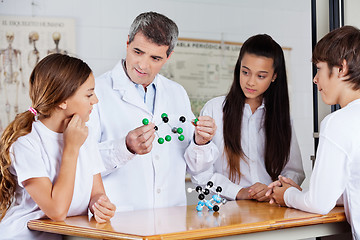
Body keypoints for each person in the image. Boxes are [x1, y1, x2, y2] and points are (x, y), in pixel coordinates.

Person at [88, 11, 217, 211]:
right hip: (120, 218)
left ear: (168, 57)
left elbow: (198, 170)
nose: (143, 65)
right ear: (128, 43)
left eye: (155, 58)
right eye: (138, 52)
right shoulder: (96, 91)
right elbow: (82, 163)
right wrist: (125, 147)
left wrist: (201, 142)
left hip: (171, 217)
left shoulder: (176, 93)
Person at [0, 53, 116, 240]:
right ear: (63, 101)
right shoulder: (26, 143)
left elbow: (96, 192)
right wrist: (71, 148)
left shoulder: (84, 134)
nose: (95, 100)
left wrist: (98, 204)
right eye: (89, 94)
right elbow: (57, 211)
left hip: (63, 236)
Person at [184, 34, 305, 202]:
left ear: (274, 76)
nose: (250, 82)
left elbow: (294, 171)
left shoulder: (281, 117)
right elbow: (200, 174)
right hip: (227, 212)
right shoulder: (215, 109)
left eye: (261, 76)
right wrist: (239, 192)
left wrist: (273, 189)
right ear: (238, 67)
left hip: (271, 212)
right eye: (245, 72)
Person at [268, 25, 360, 239]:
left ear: (341, 68)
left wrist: (286, 195)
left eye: (318, 68)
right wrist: (302, 194)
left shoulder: (338, 123)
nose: (315, 79)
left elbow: (319, 204)